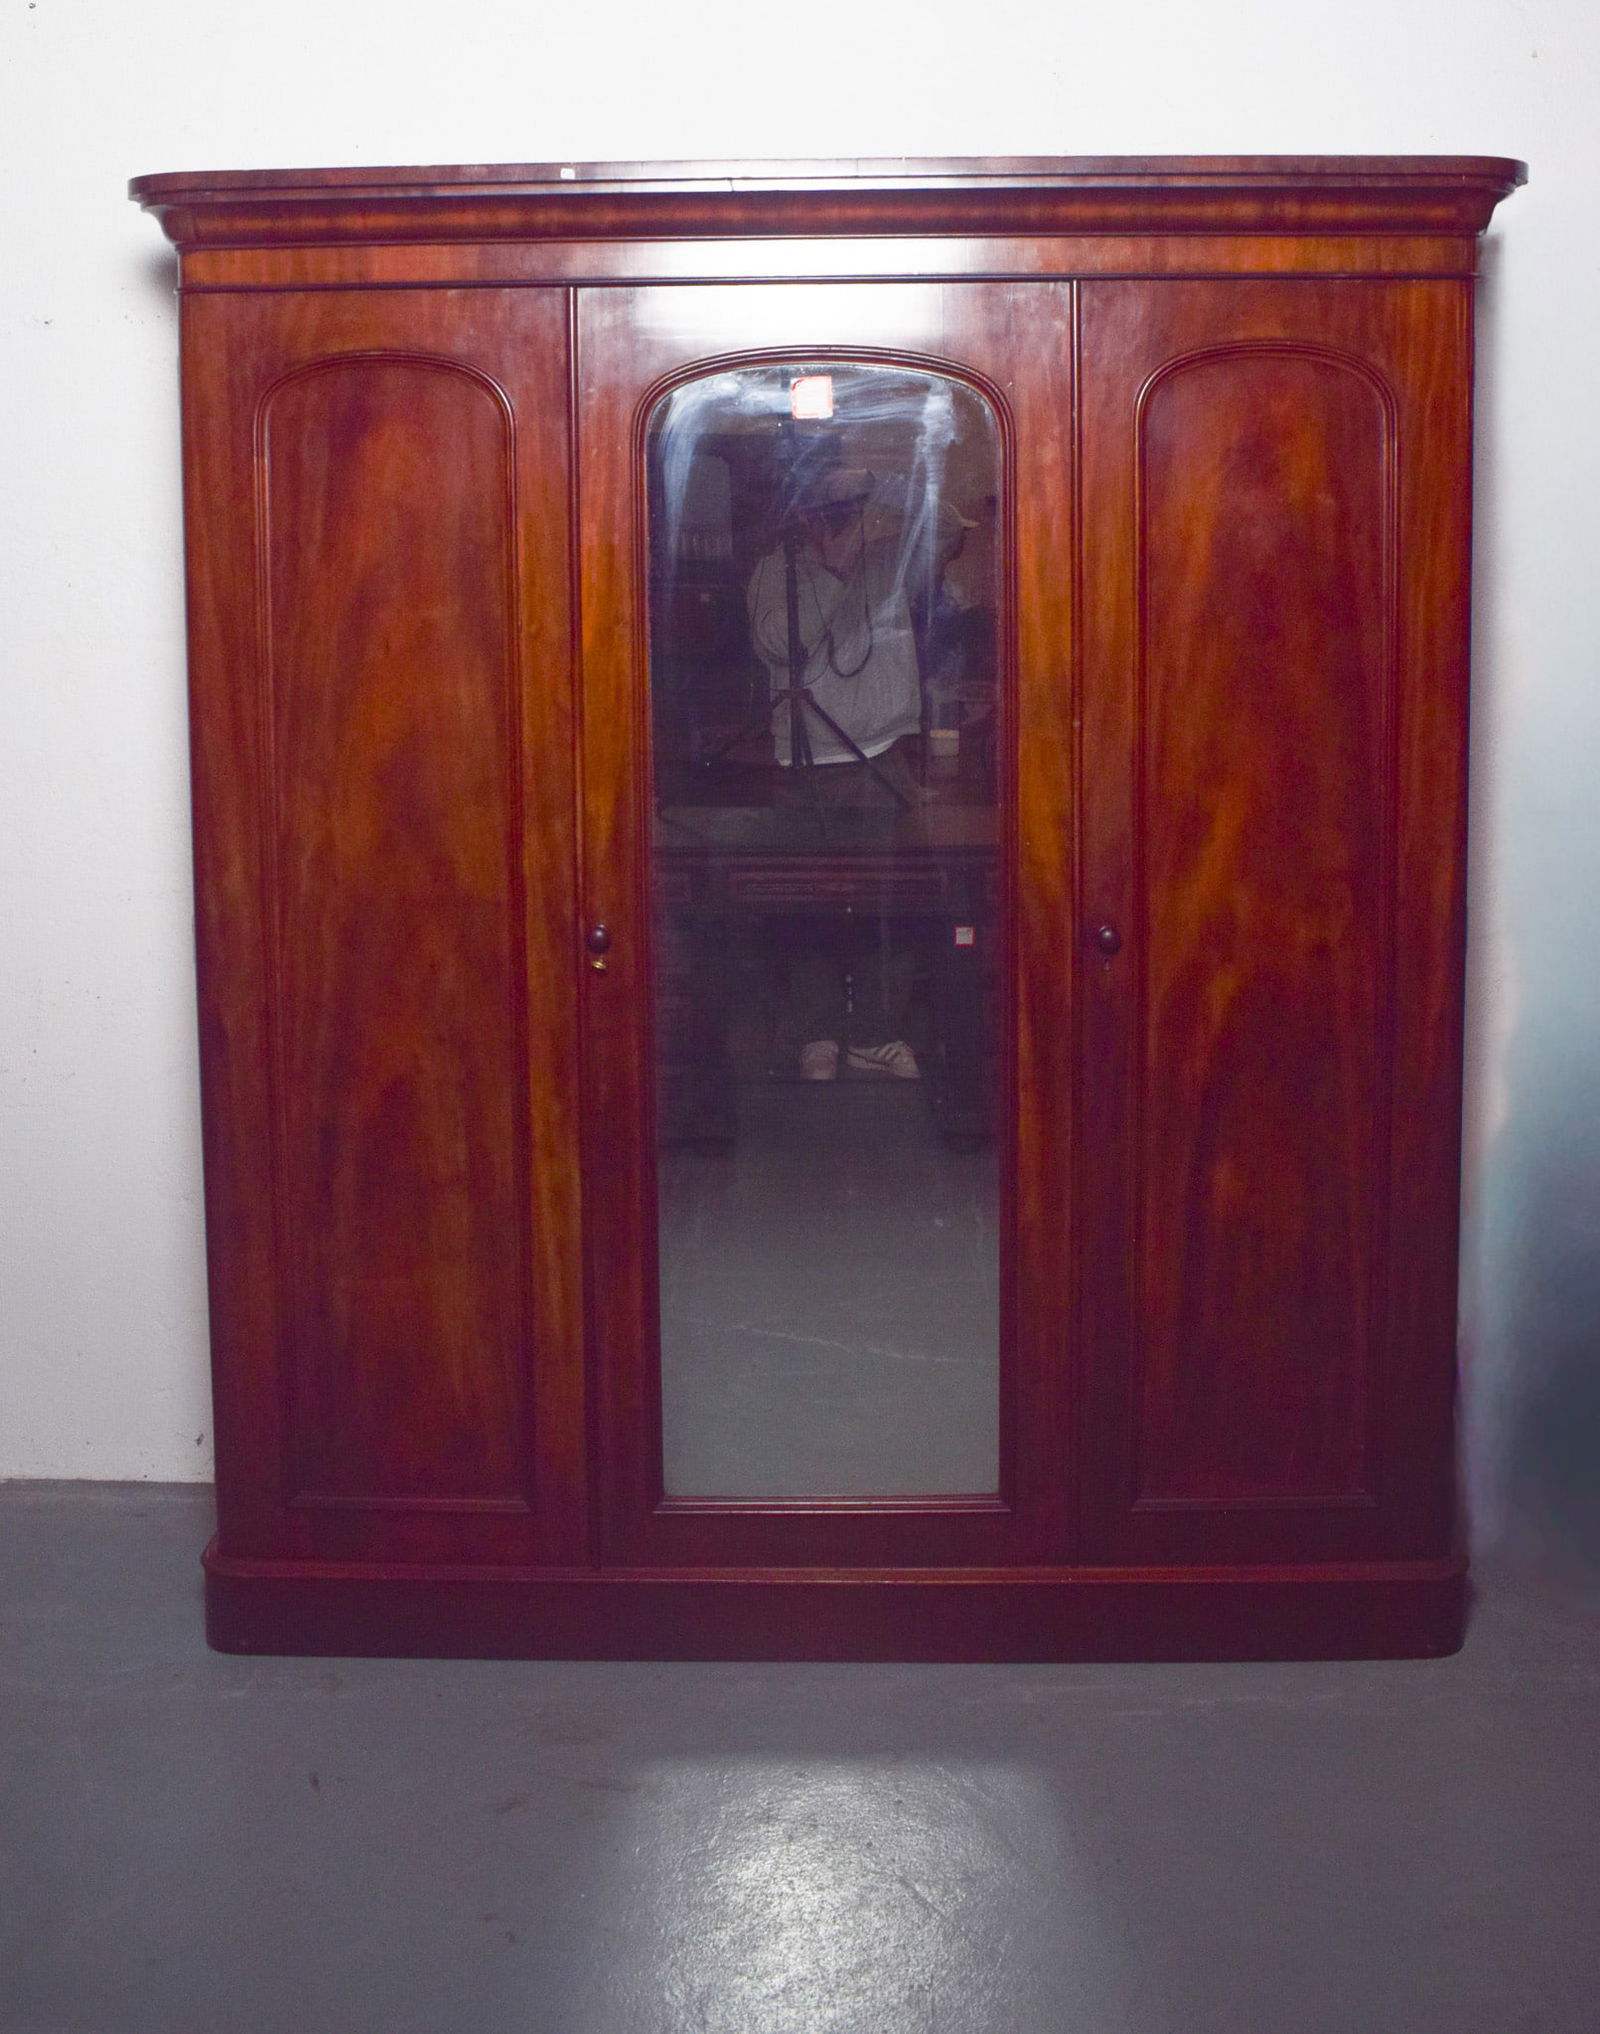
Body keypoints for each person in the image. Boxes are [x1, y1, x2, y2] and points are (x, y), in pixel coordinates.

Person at [745, 467, 924, 1082]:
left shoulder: (888, 551)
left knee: (894, 906)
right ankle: (817, 1033)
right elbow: (778, 644)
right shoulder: (779, 571)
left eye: (848, 507)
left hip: (882, 758)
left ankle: (877, 1032)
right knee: (806, 907)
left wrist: (882, 489)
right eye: (826, 509)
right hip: (807, 766)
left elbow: (948, 525)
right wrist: (833, 570)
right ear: (803, 515)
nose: (839, 519)